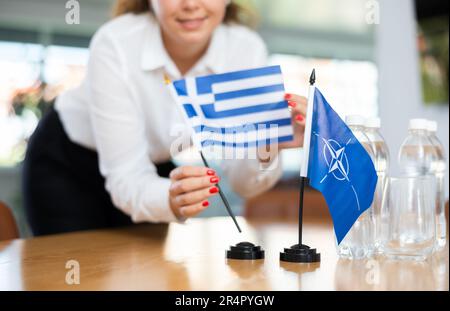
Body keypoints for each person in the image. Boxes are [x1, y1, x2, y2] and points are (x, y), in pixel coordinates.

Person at [23, 0, 307, 236]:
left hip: (152, 166)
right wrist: (168, 199)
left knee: (143, 272)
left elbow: (244, 183)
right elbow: (125, 174)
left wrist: (268, 142)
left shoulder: (246, 49)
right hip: (67, 161)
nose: (191, 4)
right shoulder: (116, 42)